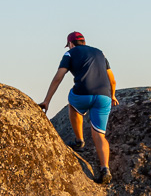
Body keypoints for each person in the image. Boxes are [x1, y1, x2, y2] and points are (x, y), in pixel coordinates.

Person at [38, 31, 118, 184]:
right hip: (104, 96)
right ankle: (105, 169)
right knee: (99, 135)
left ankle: (79, 141)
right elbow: (112, 80)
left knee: (73, 103)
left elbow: (58, 77)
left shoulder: (70, 54)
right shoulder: (100, 53)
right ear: (84, 42)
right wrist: (112, 96)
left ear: (70, 44)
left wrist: (47, 100)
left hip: (82, 94)